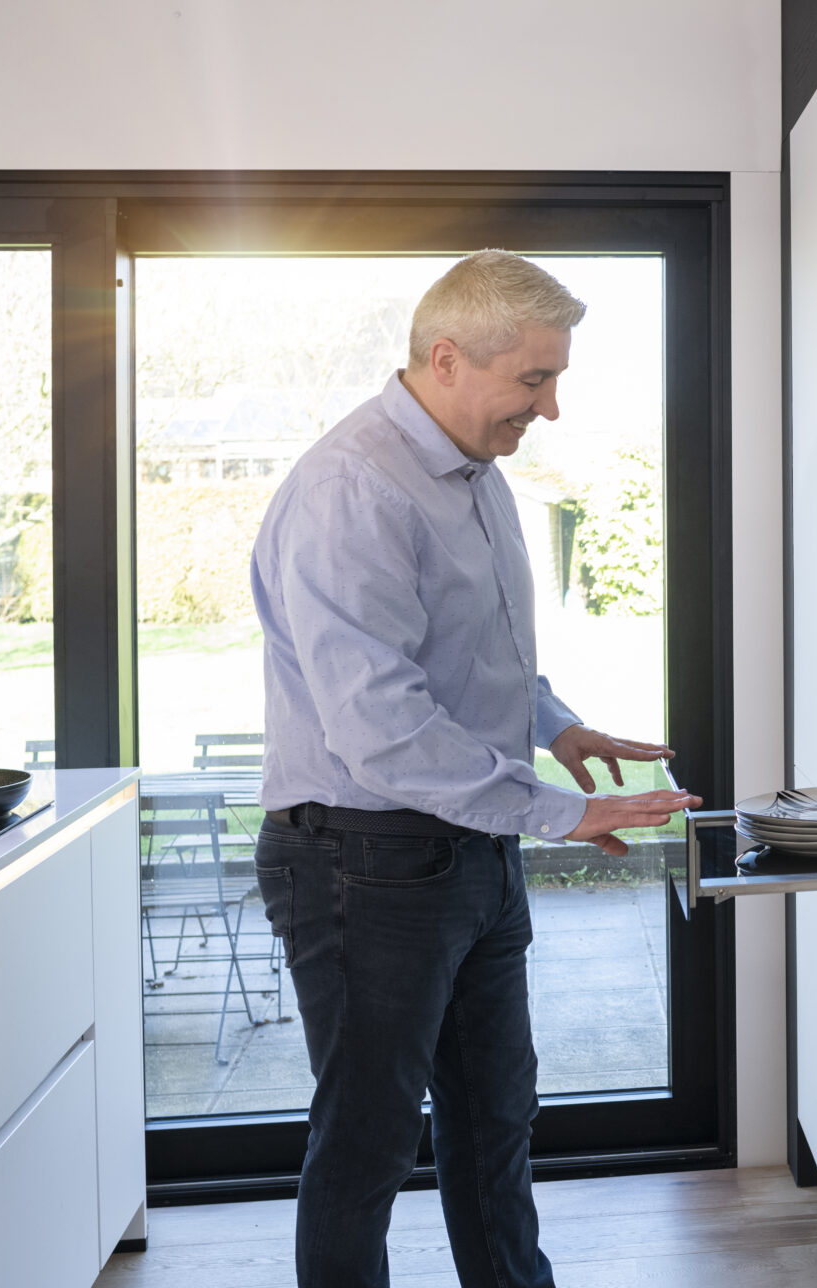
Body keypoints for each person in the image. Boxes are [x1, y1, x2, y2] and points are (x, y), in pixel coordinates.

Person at [249, 250, 699, 1288]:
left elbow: (476, 652)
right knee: (366, 1144)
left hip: (469, 851)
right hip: (364, 861)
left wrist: (555, 725)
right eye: (534, 379)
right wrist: (555, 813)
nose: (549, 408)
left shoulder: (478, 476)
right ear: (446, 358)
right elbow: (382, 728)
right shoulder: (350, 490)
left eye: (556, 378)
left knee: (496, 1116)